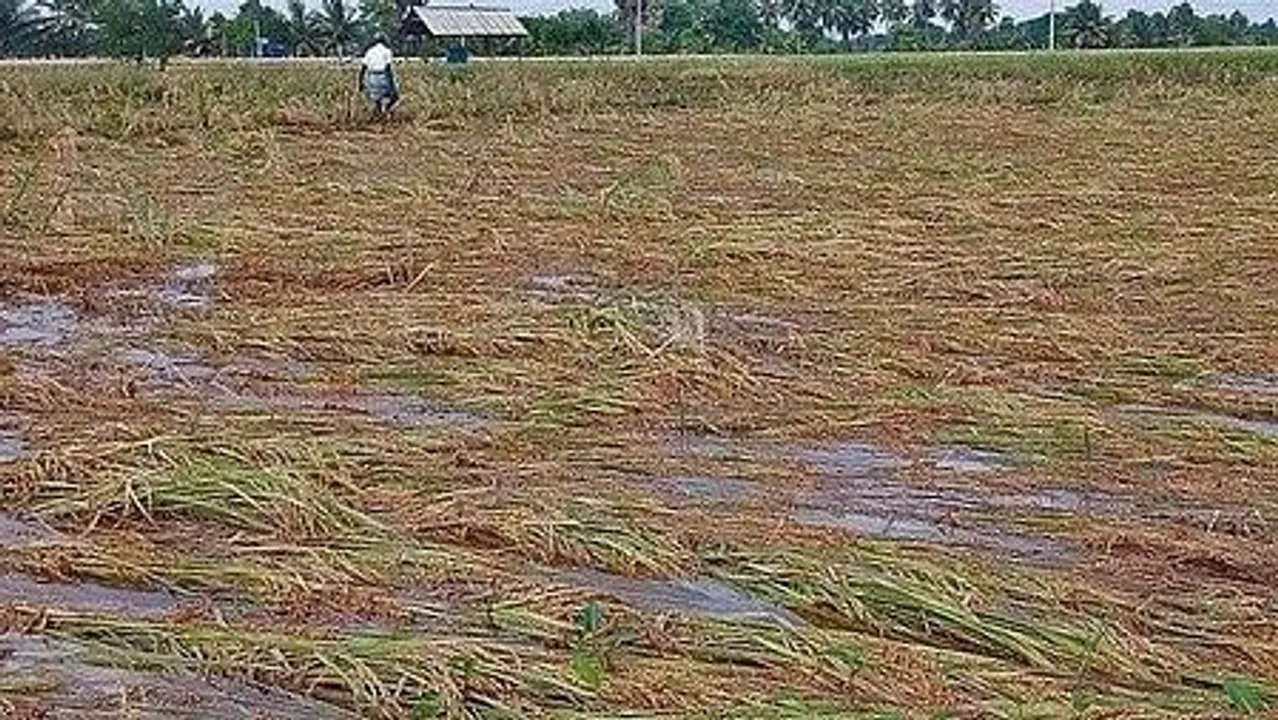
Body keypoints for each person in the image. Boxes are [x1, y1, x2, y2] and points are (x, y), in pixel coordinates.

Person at [358, 34, 399, 118]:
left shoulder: (369, 51)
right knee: (395, 97)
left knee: (377, 99)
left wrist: (360, 82)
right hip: (382, 76)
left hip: (371, 77)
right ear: (384, 41)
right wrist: (392, 84)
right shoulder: (387, 51)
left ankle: (378, 114)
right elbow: (388, 68)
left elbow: (363, 68)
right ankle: (386, 110)